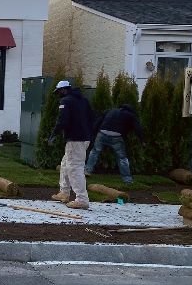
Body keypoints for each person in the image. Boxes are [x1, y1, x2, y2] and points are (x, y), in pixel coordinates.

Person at [47, 80, 96, 209]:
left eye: (58, 92)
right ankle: (64, 192)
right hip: (84, 138)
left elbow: (62, 121)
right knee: (65, 164)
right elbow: (92, 118)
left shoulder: (66, 101)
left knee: (75, 168)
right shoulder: (83, 101)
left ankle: (82, 199)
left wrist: (53, 135)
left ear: (63, 90)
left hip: (75, 139)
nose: (58, 95)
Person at [85, 104, 144, 184]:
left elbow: (98, 121)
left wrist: (93, 133)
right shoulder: (130, 115)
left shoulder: (110, 110)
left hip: (102, 133)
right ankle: (128, 180)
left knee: (95, 151)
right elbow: (138, 128)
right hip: (116, 136)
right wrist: (142, 140)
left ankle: (87, 170)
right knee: (122, 158)